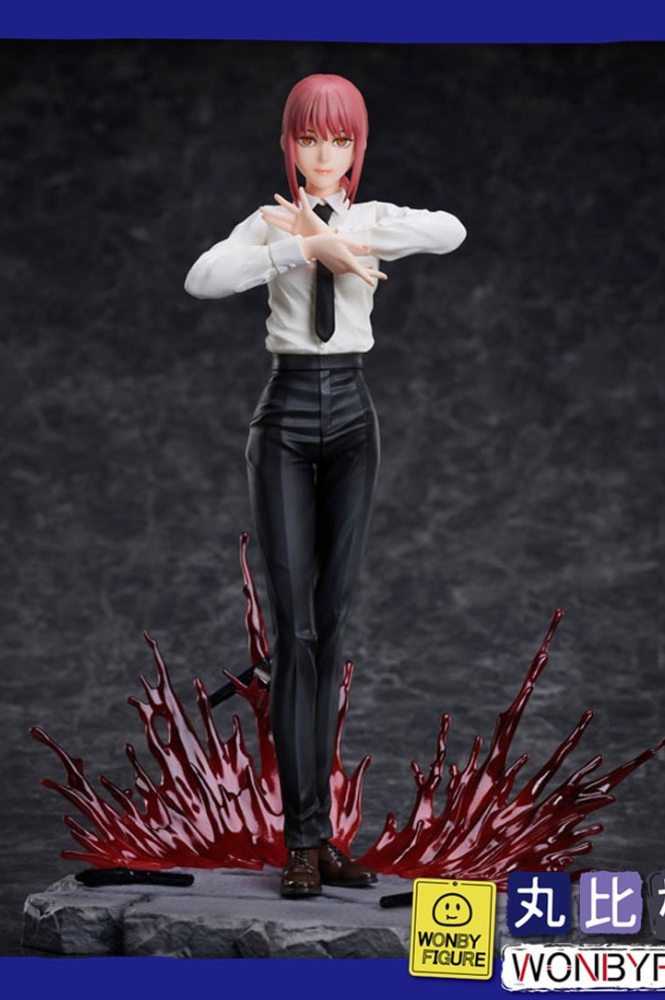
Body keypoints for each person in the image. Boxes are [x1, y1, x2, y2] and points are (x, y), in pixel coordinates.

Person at [185, 73, 465, 897]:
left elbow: (450, 230)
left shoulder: (371, 217)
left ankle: (325, 837)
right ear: (289, 144)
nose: (324, 154)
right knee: (296, 634)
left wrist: (349, 235)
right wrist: (303, 247)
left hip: (352, 416)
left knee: (332, 630)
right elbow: (204, 279)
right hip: (284, 417)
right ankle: (302, 842)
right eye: (310, 138)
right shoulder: (270, 220)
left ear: (357, 147)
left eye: (340, 140)